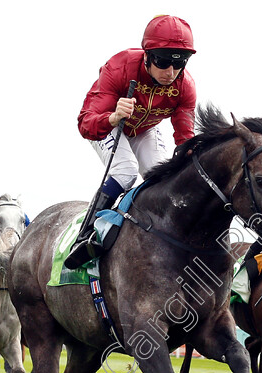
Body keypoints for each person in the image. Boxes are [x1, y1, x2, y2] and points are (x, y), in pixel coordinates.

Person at [65, 15, 198, 269]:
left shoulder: (186, 86)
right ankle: (85, 235)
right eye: (163, 61)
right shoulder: (119, 67)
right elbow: (86, 124)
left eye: (179, 64)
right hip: (109, 123)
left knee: (160, 178)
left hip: (144, 130)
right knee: (125, 171)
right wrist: (113, 117)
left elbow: (185, 139)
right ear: (147, 55)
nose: (170, 72)